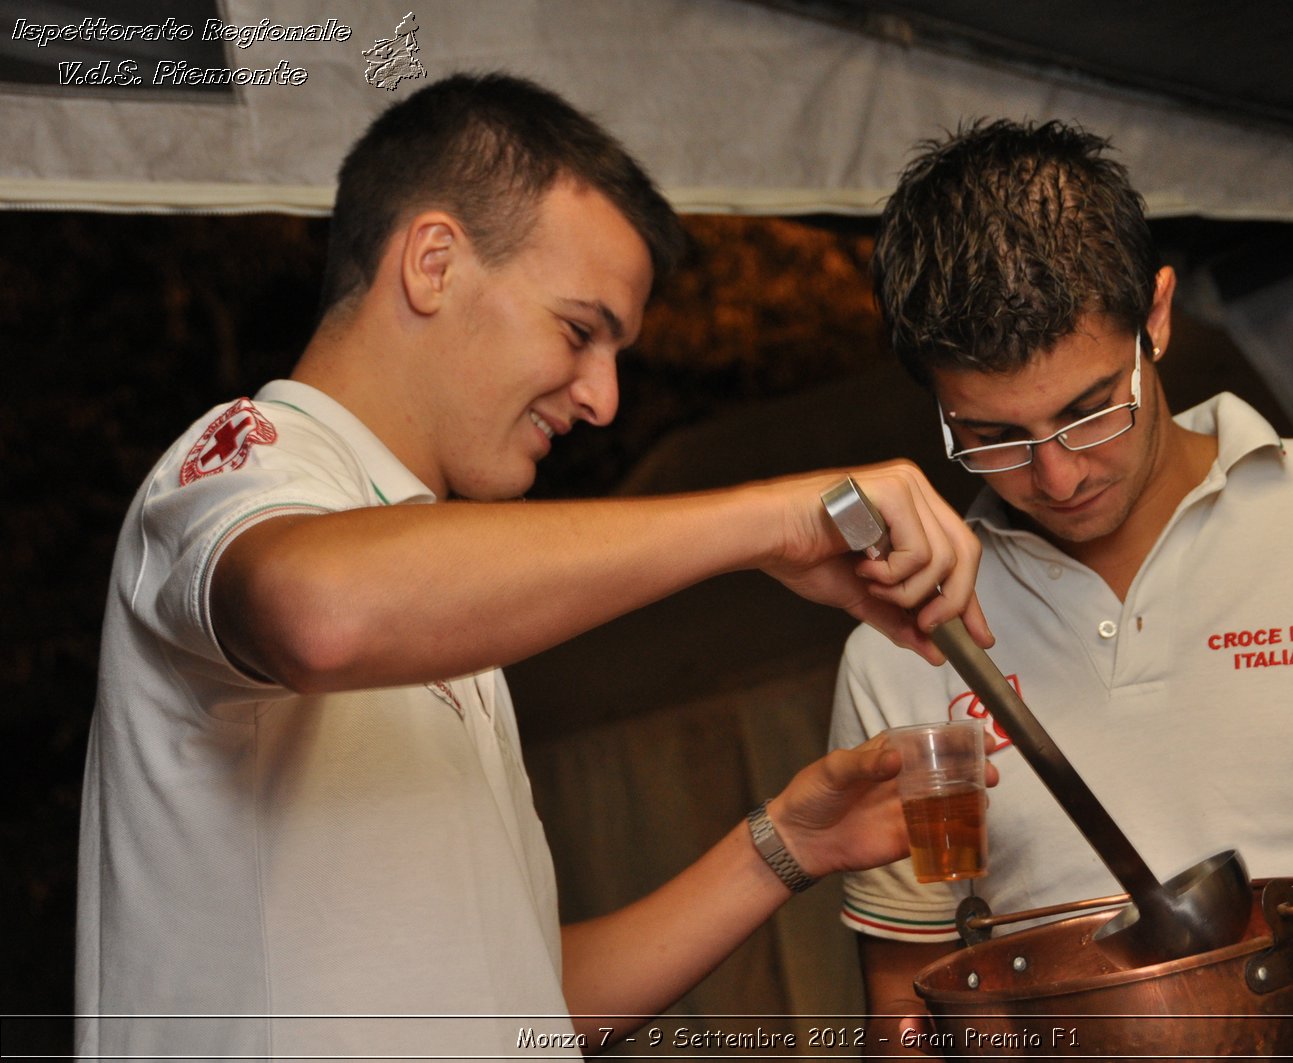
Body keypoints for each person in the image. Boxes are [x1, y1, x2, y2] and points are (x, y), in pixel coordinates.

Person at [75, 73, 995, 1061]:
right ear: (433, 262)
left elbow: (526, 997)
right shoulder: (250, 456)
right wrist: (774, 519)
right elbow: (320, 611)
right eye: (578, 329)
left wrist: (790, 843)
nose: (602, 397)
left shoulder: (443, 599)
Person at [829, 119, 1293, 1060]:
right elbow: (904, 1004)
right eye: (992, 434)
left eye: (1088, 410)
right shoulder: (901, 646)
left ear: (1156, 317)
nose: (1058, 476)